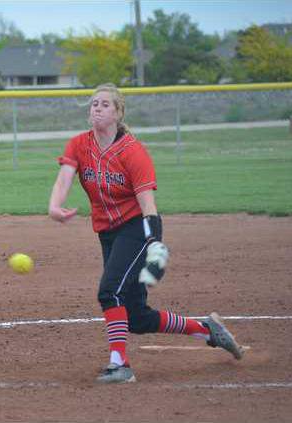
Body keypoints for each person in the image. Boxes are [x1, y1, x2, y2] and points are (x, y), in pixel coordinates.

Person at [48, 83, 243, 384]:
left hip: (136, 228)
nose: (97, 108)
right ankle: (207, 330)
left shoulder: (133, 152)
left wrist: (154, 242)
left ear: (118, 113)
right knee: (136, 317)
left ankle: (120, 365)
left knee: (109, 291)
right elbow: (64, 178)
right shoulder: (79, 144)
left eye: (105, 104)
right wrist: (54, 205)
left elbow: (148, 205)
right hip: (107, 233)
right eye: (94, 103)